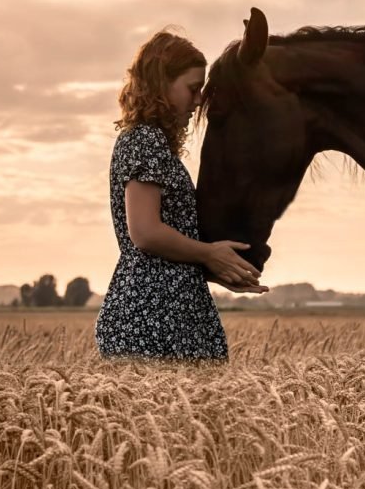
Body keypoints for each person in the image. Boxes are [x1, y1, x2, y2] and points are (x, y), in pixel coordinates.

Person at [95, 28, 268, 361]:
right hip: (150, 319)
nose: (199, 99)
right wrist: (207, 254)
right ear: (161, 85)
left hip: (169, 314)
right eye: (192, 89)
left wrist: (217, 270)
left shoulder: (153, 144)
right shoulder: (144, 141)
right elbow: (144, 233)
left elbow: (163, 249)